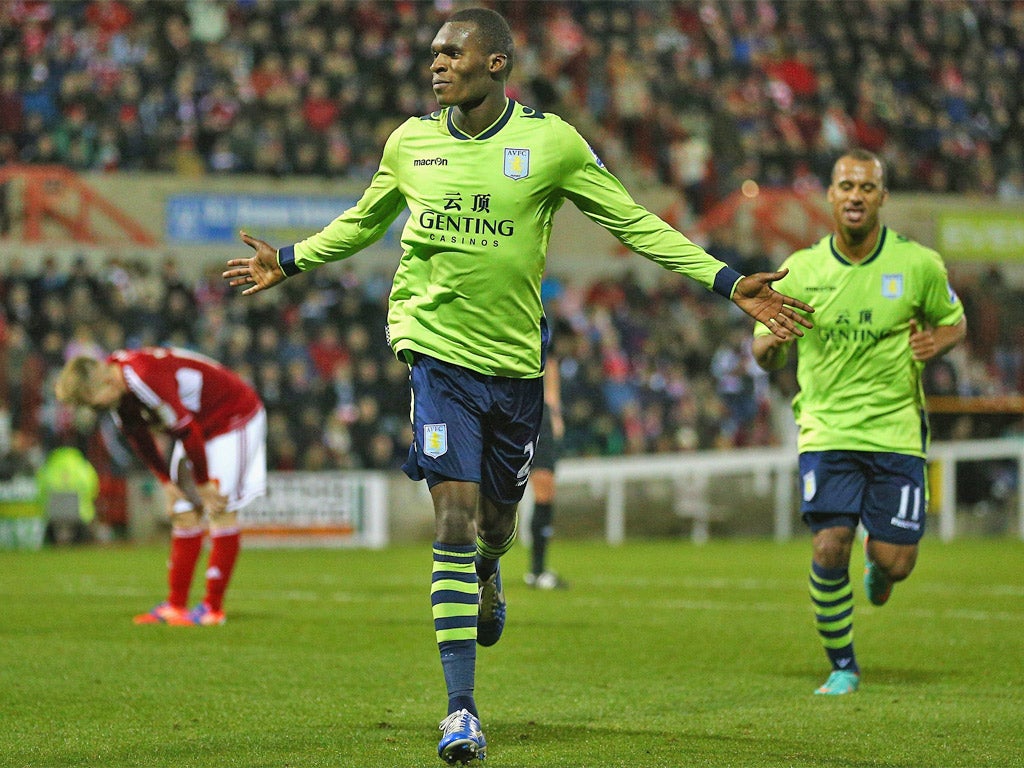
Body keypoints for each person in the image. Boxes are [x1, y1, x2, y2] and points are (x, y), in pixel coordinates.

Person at [223, 8, 813, 763]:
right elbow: (365, 222)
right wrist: (291, 257)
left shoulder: (551, 143)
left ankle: (493, 570)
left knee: (494, 526)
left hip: (515, 371)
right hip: (436, 358)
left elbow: (633, 222)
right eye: (432, 52)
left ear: (496, 63)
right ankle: (461, 710)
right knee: (453, 519)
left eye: (452, 52)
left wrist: (727, 281)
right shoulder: (410, 141)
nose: (435, 63)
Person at [751, 149, 966, 696]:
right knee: (829, 545)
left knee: (897, 563)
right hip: (827, 428)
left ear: (882, 198)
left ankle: (882, 565)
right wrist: (772, 348)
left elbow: (954, 321)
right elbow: (763, 351)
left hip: (896, 429)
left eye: (866, 188)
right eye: (846, 185)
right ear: (830, 194)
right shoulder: (802, 270)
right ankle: (843, 664)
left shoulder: (919, 265)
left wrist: (936, 341)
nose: (855, 196)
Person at [55, 347, 267, 627]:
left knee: (219, 507)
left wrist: (203, 484)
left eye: (91, 403)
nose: (93, 410)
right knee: (182, 510)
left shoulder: (144, 378)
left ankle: (212, 608)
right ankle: (175, 605)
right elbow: (138, 437)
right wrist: (166, 482)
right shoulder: (118, 384)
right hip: (198, 425)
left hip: (233, 417)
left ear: (105, 382)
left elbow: (187, 431)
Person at [524, 351, 567, 589]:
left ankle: (537, 571)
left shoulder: (540, 319)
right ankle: (482, 569)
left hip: (539, 412)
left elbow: (548, 359)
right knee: (493, 494)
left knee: (545, 491)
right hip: (510, 406)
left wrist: (553, 408)